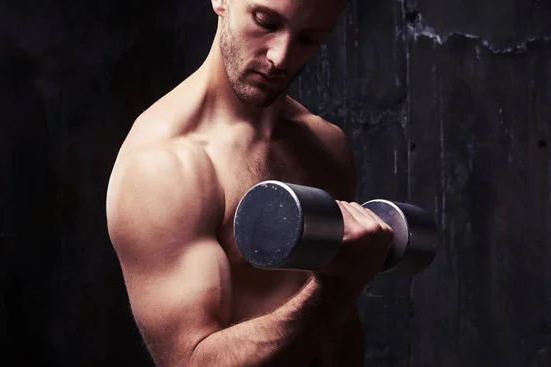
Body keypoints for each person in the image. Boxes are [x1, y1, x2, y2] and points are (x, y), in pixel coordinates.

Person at [105, 0, 394, 365]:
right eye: (265, 22)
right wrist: (334, 288)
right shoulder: (165, 166)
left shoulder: (326, 145)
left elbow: (337, 332)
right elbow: (191, 362)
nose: (280, 57)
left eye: (309, 38)